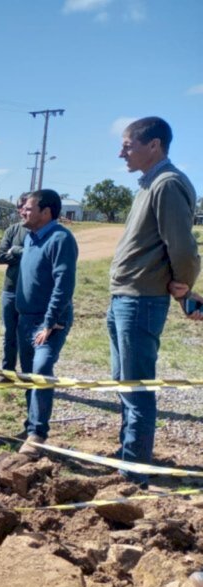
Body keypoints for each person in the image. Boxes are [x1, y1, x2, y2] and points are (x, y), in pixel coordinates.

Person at [109, 116, 200, 484]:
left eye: (128, 145)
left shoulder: (167, 184)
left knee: (137, 387)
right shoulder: (147, 185)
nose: (121, 153)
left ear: (155, 145)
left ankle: (134, 473)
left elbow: (182, 246)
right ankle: (128, 458)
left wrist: (183, 284)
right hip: (125, 298)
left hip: (141, 301)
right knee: (123, 382)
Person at [14, 190, 78, 455]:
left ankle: (38, 434)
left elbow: (64, 283)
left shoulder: (60, 238)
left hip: (48, 322)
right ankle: (31, 426)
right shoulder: (30, 238)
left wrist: (50, 321)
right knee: (29, 375)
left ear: (46, 212)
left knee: (41, 371)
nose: (23, 212)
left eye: (29, 209)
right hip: (26, 319)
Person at [0, 193, 29, 378]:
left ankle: (29, 373)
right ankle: (7, 371)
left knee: (28, 334)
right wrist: (25, 255)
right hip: (11, 290)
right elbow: (0, 257)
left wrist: (16, 251)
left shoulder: (42, 231)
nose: (22, 210)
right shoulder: (12, 230)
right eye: (19, 207)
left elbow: (40, 257)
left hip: (33, 294)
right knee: (10, 333)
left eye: (25, 206)